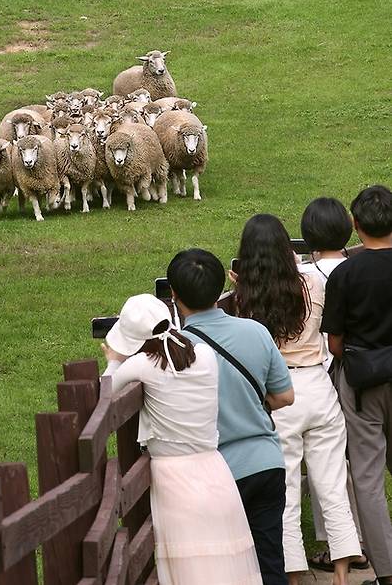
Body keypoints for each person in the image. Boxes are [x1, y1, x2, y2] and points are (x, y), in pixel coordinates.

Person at [234, 214, 361, 585]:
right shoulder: (311, 285)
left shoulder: (249, 299)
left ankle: (292, 573)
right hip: (319, 389)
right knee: (333, 485)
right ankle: (341, 572)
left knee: (286, 490)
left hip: (280, 394)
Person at [102, 292, 262, 585]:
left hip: (174, 478)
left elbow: (104, 394)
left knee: (190, 569)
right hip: (215, 470)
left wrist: (114, 360)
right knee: (224, 563)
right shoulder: (204, 355)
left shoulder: (142, 366)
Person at [167, 248, 294, 585]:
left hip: (216, 473)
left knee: (224, 570)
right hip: (266, 463)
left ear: (174, 295)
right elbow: (285, 396)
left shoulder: (176, 349)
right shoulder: (255, 331)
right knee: (270, 562)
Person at [322, 184, 392, 585]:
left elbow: (335, 343)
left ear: (355, 224)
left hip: (363, 381)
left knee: (366, 476)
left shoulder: (346, 273)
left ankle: (386, 570)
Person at [298, 196, 368, 575]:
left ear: (308, 236)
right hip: (359, 369)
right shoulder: (356, 266)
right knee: (358, 461)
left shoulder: (305, 277)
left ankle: (337, 545)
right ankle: (358, 539)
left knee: (325, 461)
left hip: (320, 373)